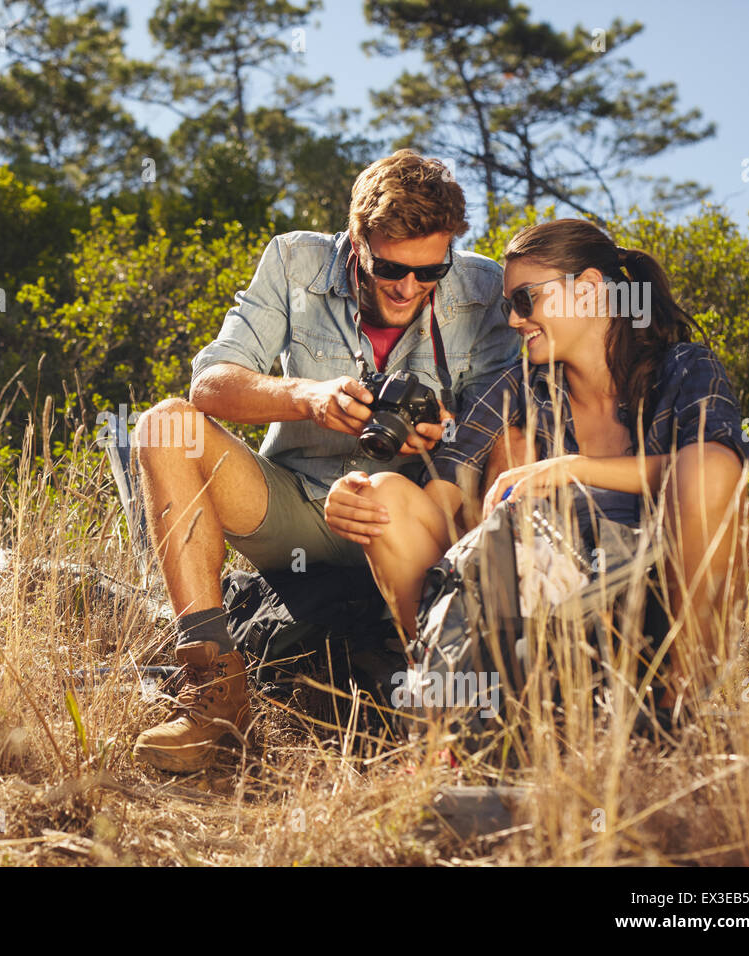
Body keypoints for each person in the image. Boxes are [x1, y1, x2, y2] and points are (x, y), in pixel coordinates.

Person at [130, 150, 522, 772]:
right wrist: (307, 397)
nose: (409, 287)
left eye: (430, 272)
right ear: (358, 242)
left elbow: (509, 420)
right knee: (166, 425)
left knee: (509, 439)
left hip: (406, 522)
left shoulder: (481, 287)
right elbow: (210, 381)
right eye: (392, 266)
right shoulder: (295, 260)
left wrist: (441, 433)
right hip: (297, 509)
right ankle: (213, 698)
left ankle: (461, 695)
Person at [323, 218, 749, 710]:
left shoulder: (685, 367)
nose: (513, 321)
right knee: (384, 497)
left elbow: (717, 472)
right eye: (509, 306)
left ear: (588, 290)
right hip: (547, 616)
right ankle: (462, 703)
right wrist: (359, 502)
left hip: (660, 602)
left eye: (526, 301)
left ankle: (683, 705)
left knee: (710, 469)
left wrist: (573, 468)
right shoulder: (516, 386)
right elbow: (444, 485)